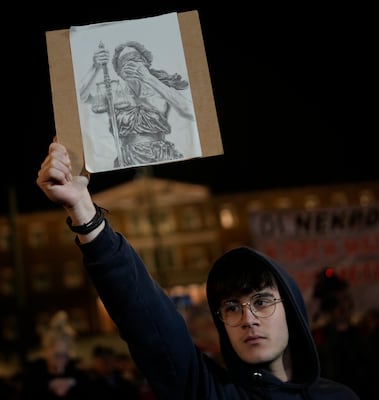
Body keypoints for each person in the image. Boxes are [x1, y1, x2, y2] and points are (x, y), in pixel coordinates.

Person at [36, 140, 359, 399]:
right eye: (232, 307)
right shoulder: (209, 391)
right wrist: (84, 211)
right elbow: (148, 320)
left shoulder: (339, 395)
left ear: (291, 309)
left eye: (261, 301)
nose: (248, 319)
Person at [77, 40, 196, 169]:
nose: (129, 64)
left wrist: (149, 78)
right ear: (119, 71)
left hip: (161, 156)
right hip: (127, 160)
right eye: (123, 61)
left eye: (135, 58)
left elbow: (191, 112)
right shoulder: (116, 95)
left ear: (144, 63)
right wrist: (95, 68)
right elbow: (80, 98)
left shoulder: (159, 89)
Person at [310, 268, 378, 399]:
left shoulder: (360, 333)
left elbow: (372, 370)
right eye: (336, 302)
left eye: (345, 300)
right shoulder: (320, 337)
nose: (343, 306)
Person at [19, 310, 90, 399]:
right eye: (57, 355)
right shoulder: (34, 373)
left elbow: (87, 388)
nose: (61, 359)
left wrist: (70, 382)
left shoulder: (76, 370)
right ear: (46, 352)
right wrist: (49, 385)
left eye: (65, 355)